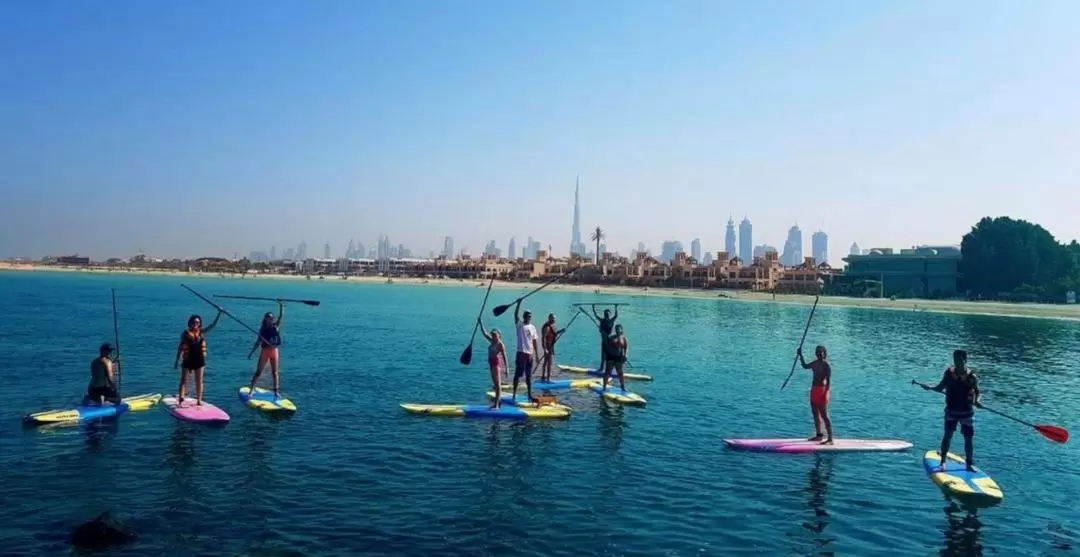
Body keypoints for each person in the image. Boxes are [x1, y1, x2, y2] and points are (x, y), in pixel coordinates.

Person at [921, 349, 981, 471]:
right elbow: (940, 387)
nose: (958, 363)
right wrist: (930, 387)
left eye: (960, 360)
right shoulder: (949, 374)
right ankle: (943, 462)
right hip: (951, 410)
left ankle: (969, 464)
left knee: (968, 439)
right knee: (947, 436)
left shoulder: (971, 377)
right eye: (955, 360)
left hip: (966, 412)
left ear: (965, 360)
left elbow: (977, 391)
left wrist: (977, 400)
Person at [173, 311, 222, 406]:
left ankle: (199, 400)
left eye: (198, 322)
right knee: (183, 381)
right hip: (188, 360)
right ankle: (181, 400)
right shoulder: (185, 334)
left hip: (199, 360)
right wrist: (176, 360)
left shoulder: (201, 332)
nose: (196, 324)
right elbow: (180, 347)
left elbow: (212, 325)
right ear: (190, 323)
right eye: (194, 322)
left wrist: (219, 314)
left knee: (199, 381)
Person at [247, 301, 284, 397]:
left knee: (275, 372)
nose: (270, 320)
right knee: (258, 372)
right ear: (265, 319)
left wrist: (281, 306)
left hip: (274, 351)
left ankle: (276, 391)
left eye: (271, 318)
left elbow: (281, 317)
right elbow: (257, 343)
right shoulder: (262, 330)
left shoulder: (275, 327)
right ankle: (251, 390)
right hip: (265, 352)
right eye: (268, 318)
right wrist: (251, 353)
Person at [798, 345, 833, 445]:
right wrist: (801, 355)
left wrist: (825, 393)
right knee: (815, 414)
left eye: (821, 352)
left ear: (825, 353)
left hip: (822, 391)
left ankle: (830, 438)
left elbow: (829, 382)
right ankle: (819, 435)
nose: (819, 354)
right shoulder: (815, 363)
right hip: (814, 390)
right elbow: (805, 366)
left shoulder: (826, 365)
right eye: (817, 352)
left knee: (824, 415)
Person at [512, 301, 541, 403]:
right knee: (518, 375)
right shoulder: (519, 325)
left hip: (530, 355)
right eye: (527, 316)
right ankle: (514, 395)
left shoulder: (533, 327)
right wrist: (518, 304)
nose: (529, 317)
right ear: (524, 317)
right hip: (521, 353)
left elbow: (534, 342)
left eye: (530, 316)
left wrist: (537, 355)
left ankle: (529, 396)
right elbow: (515, 314)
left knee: (529, 376)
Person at [478, 319, 509, 409]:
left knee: (497, 384)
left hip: (496, 363)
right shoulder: (492, 341)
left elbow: (504, 356)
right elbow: (484, 333)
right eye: (493, 335)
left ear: (499, 335)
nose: (493, 336)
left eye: (495, 335)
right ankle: (497, 403)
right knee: (495, 383)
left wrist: (507, 369)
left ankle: (497, 404)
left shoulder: (500, 344)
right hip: (491, 363)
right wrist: (481, 323)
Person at [601, 324, 628, 392]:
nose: (618, 330)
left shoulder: (624, 338)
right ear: (615, 330)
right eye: (617, 329)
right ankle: (604, 386)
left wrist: (625, 355)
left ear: (622, 330)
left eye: (619, 329)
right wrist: (605, 356)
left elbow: (626, 348)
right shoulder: (611, 337)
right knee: (607, 372)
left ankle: (622, 386)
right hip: (610, 357)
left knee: (620, 372)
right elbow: (606, 347)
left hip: (618, 357)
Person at [592, 305, 619, 370]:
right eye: (606, 314)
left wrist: (616, 308)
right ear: (604, 315)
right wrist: (593, 308)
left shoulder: (611, 320)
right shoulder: (602, 320)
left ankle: (614, 368)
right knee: (603, 356)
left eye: (608, 314)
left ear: (609, 314)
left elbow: (616, 316)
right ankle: (601, 368)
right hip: (604, 340)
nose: (607, 315)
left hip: (610, 340)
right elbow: (596, 315)